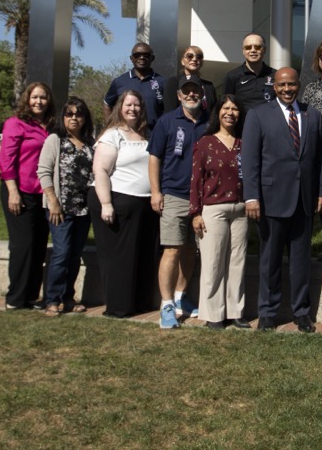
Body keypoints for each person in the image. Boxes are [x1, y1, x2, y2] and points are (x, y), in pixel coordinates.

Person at [242, 67, 322, 331]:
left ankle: (301, 312)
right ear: (274, 87)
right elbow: (250, 159)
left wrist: (321, 192)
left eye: (291, 85)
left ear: (298, 85)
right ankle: (268, 312)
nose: (287, 89)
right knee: (270, 260)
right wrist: (252, 197)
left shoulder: (312, 115)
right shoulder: (257, 115)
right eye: (282, 85)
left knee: (301, 262)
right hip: (270, 199)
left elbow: (320, 159)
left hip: (304, 200)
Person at [148, 78, 212, 328]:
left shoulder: (209, 122)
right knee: (172, 249)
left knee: (189, 250)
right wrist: (156, 191)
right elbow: (155, 158)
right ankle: (166, 306)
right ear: (179, 95)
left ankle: (181, 297)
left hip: (203, 198)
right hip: (174, 194)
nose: (192, 94)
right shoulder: (167, 122)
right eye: (187, 91)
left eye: (196, 91)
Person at [89, 90, 158, 318]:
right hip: (117, 201)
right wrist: (106, 203)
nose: (133, 109)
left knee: (140, 257)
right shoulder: (112, 134)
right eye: (128, 104)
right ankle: (118, 307)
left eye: (137, 105)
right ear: (120, 107)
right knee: (120, 258)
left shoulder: (145, 134)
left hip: (143, 205)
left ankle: (138, 303)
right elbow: (100, 170)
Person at [190, 95, 250, 329]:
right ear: (218, 112)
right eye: (226, 108)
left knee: (237, 261)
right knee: (213, 262)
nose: (230, 113)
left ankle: (235, 311)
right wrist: (195, 212)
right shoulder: (205, 142)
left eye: (235, 109)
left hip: (241, 208)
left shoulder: (244, 142)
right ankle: (213, 314)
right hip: (213, 209)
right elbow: (196, 179)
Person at [0, 81, 55, 311]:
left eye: (42, 97)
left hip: (42, 193)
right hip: (19, 191)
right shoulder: (15, 124)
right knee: (23, 244)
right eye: (34, 97)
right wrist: (12, 191)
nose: (38, 101)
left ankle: (31, 296)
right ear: (27, 99)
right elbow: (6, 160)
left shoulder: (49, 126)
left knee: (39, 245)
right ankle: (15, 297)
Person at [37, 96, 94, 315]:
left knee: (74, 255)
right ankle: (52, 300)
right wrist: (53, 202)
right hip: (60, 208)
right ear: (63, 117)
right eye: (69, 114)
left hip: (83, 209)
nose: (74, 118)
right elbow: (44, 171)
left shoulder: (90, 143)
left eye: (78, 114)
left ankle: (68, 298)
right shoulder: (55, 140)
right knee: (61, 253)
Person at [104, 42, 167, 127]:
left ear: (152, 58)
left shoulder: (163, 82)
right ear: (131, 58)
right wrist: (111, 127)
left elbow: (169, 111)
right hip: (126, 134)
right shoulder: (119, 81)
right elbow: (107, 104)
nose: (142, 57)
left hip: (153, 135)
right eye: (137, 55)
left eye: (146, 55)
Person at [223, 32, 275, 109]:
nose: (253, 50)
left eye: (257, 47)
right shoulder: (232, 76)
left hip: (269, 120)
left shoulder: (275, 75)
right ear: (243, 51)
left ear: (264, 50)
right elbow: (226, 105)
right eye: (248, 47)